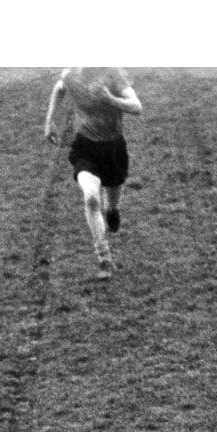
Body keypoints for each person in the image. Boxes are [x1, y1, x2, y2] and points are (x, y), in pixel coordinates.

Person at [44, 67, 142, 280]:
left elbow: (137, 106)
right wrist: (49, 120)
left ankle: (112, 211)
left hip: (114, 148)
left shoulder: (112, 74)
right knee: (90, 197)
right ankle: (104, 258)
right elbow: (60, 87)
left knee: (111, 204)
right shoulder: (71, 74)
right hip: (85, 148)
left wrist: (109, 98)